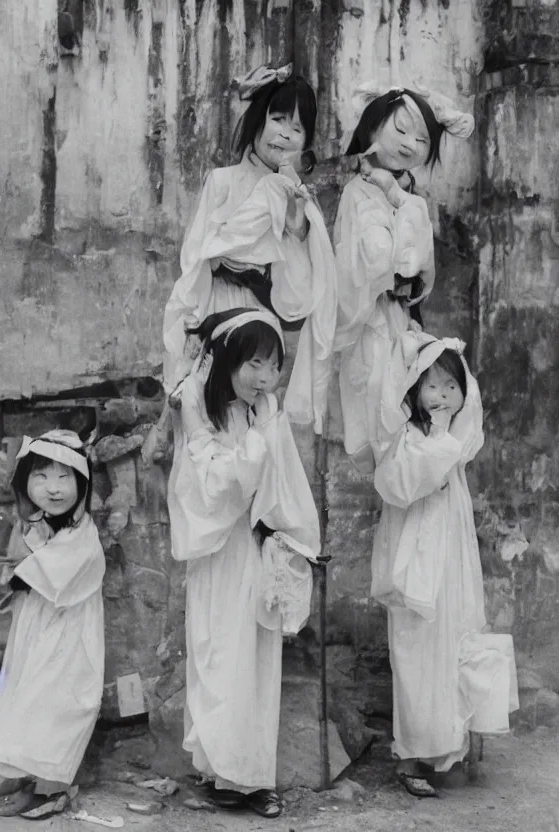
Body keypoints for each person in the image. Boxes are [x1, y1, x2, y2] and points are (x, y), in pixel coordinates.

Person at [168, 307, 321, 818]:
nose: (263, 377)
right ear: (228, 360)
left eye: (272, 366)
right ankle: (221, 771)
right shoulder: (201, 408)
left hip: (255, 551)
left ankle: (254, 777)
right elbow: (210, 485)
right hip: (218, 552)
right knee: (218, 654)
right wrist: (253, 447)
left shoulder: (266, 409)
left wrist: (291, 537)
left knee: (255, 660)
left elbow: (284, 482)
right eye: (252, 363)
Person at [370, 333, 518, 797]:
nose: (441, 396)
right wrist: (436, 436)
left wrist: (444, 436)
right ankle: (412, 754)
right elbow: (404, 485)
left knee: (456, 638)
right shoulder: (408, 439)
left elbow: (452, 462)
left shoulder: (454, 441)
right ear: (414, 390)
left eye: (451, 386)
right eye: (431, 386)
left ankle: (451, 744)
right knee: (416, 649)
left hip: (451, 558)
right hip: (416, 560)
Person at [162, 63, 337, 436]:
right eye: (278, 119)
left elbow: (302, 270)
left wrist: (295, 211)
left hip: (263, 316)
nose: (286, 135)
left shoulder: (295, 195)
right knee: (208, 413)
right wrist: (194, 324)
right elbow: (198, 257)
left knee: (254, 418)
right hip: (217, 306)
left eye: (297, 128)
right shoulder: (222, 181)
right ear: (258, 120)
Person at [333, 82, 475, 471]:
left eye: (421, 138)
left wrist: (399, 200)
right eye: (400, 130)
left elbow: (418, 263)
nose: (411, 144)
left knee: (409, 413)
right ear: (374, 126)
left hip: (402, 318)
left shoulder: (408, 195)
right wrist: (401, 212)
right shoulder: (358, 192)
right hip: (370, 319)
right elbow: (379, 260)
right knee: (381, 417)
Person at [0, 430, 105, 820]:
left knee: (55, 701)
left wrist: (19, 575)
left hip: (68, 635)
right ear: (26, 483)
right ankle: (25, 774)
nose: (53, 488)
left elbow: (63, 569)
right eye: (42, 476)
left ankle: (52, 788)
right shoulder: (36, 525)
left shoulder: (82, 534)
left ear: (80, 484)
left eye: (64, 477)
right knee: (24, 694)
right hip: (37, 628)